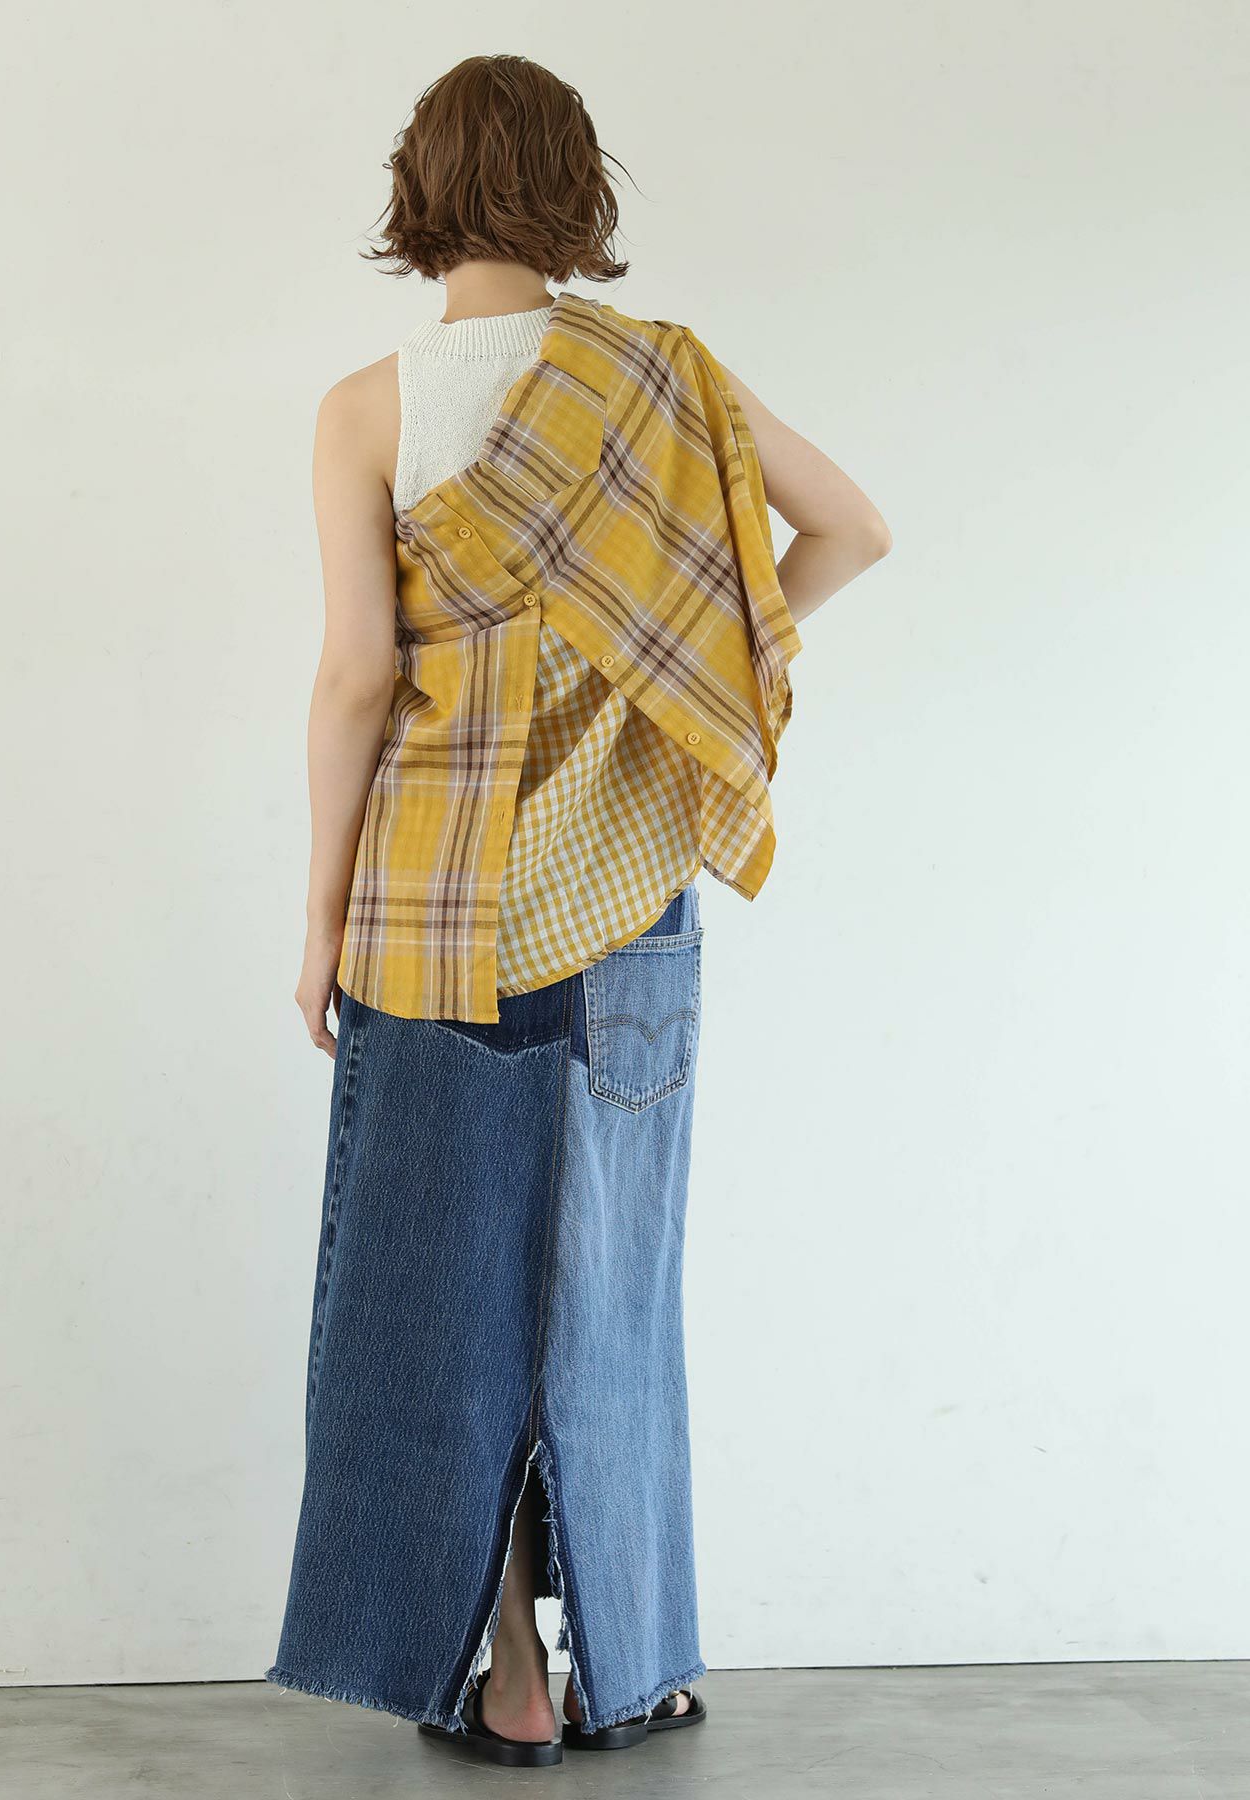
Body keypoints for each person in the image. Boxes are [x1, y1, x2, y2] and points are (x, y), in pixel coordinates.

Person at [268, 53, 891, 1768]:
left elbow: (354, 680)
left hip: (432, 915)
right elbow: (851, 530)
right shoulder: (668, 377)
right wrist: (694, 658)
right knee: (609, 1294)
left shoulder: (368, 409)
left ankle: (511, 1682)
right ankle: (632, 1669)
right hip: (628, 911)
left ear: (419, 192)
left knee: (438, 1312)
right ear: (576, 190)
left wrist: (317, 921)